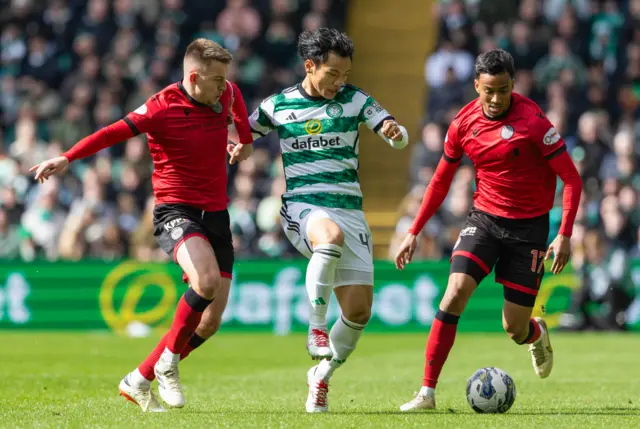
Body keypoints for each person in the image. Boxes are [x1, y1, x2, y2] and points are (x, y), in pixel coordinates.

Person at [30, 38, 254, 412]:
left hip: (217, 213)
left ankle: (139, 379)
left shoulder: (226, 92)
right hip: (176, 210)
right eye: (215, 80)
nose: (224, 87)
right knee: (207, 282)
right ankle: (168, 364)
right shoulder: (161, 106)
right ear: (194, 77)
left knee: (210, 322)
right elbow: (110, 133)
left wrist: (243, 142)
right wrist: (68, 157)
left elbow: (239, 111)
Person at [394, 49, 583, 411]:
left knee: (514, 328)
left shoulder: (535, 122)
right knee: (453, 294)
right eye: (489, 91)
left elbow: (571, 177)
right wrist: (413, 230)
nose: (496, 99)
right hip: (484, 219)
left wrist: (564, 233)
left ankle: (536, 332)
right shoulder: (463, 124)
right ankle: (426, 393)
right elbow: (440, 181)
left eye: (504, 90)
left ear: (513, 84)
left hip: (529, 229)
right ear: (476, 85)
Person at [249, 28, 409, 413]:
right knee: (329, 237)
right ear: (310, 66)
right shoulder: (279, 105)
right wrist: (236, 144)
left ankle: (321, 375)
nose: (340, 83)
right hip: (303, 206)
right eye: (332, 74)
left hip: (351, 210)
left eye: (345, 76)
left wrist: (394, 133)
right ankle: (315, 326)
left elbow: (398, 135)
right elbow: (242, 132)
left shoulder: (356, 102)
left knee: (358, 312)